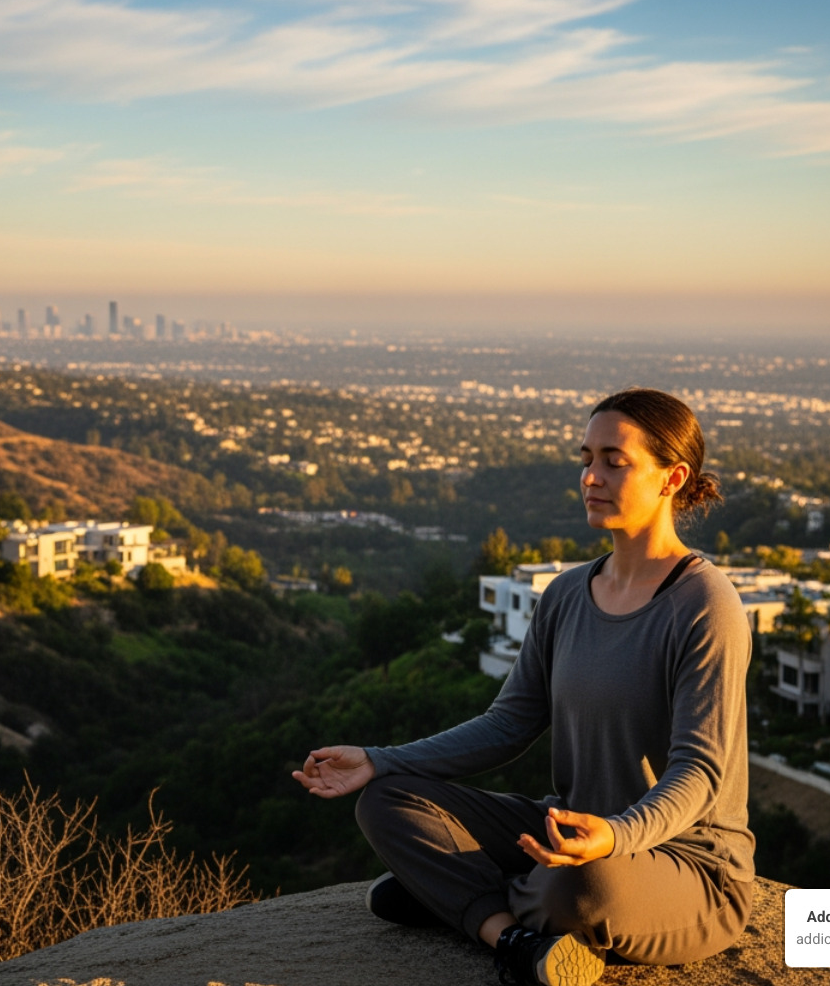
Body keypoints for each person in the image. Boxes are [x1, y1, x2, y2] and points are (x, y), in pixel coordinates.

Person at [293, 388, 754, 986]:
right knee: (386, 800)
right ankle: (506, 934)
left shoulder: (705, 605)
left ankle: (459, 896)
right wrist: (380, 761)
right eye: (586, 458)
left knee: (583, 885)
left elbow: (699, 773)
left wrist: (615, 836)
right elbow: (507, 725)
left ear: (673, 478)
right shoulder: (566, 594)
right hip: (567, 831)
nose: (592, 476)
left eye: (616, 460)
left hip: (682, 865)